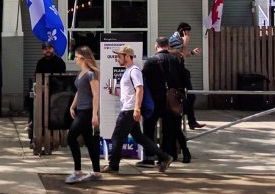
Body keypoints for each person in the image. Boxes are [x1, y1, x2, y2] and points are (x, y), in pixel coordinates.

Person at [102, 45, 173, 174]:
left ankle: (113, 165)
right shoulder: (127, 71)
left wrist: (136, 108)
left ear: (127, 56)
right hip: (129, 108)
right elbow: (130, 92)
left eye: (119, 56)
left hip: (129, 110)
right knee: (140, 137)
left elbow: (140, 89)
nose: (117, 58)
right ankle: (165, 157)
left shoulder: (134, 71)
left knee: (117, 137)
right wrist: (116, 92)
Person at [140, 36, 187, 166]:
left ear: (156, 46)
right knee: (168, 130)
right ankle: (164, 158)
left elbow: (143, 81)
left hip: (153, 101)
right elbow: (184, 79)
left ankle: (149, 158)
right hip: (171, 101)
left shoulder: (150, 61)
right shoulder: (176, 60)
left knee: (149, 128)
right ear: (168, 46)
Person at [64, 46, 102, 184]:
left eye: (76, 56)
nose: (74, 59)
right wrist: (73, 106)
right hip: (81, 109)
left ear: (83, 58)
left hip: (87, 111)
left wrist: (94, 115)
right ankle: (97, 172)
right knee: (90, 142)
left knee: (71, 137)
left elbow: (96, 94)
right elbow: (79, 92)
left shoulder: (91, 74)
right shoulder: (81, 73)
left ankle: (78, 171)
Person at [169, 22, 207, 129]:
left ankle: (191, 121)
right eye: (187, 32)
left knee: (191, 96)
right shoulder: (175, 39)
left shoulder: (177, 39)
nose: (188, 34)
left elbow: (182, 54)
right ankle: (188, 120)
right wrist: (186, 43)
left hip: (181, 71)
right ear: (182, 31)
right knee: (188, 97)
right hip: (177, 73)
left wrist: (192, 53)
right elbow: (181, 56)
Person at [26, 41, 69, 137]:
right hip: (42, 90)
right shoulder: (40, 62)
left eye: (49, 48)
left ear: (53, 49)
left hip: (57, 91)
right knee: (30, 99)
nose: (48, 50)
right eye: (45, 49)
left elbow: (62, 79)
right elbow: (37, 77)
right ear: (42, 51)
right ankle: (32, 122)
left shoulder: (59, 62)